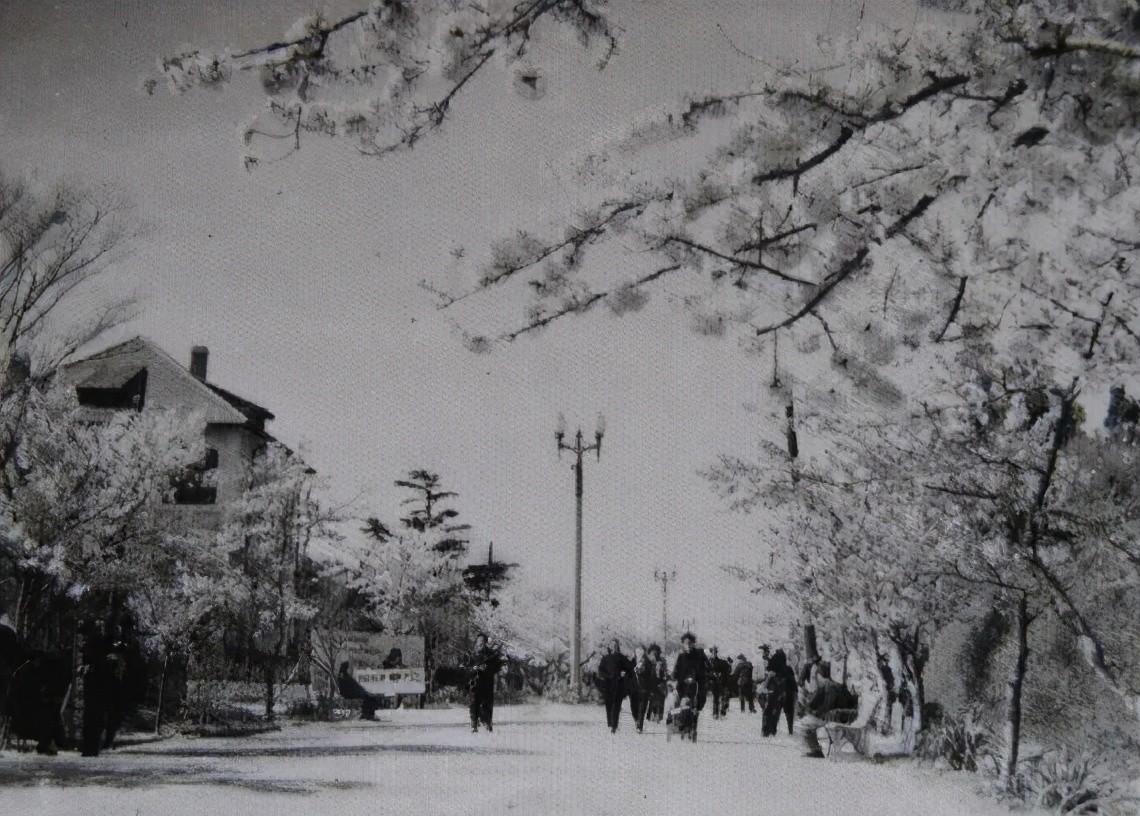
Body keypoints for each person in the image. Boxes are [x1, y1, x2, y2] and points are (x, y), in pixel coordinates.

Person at [799, 661, 857, 758]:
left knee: (806, 725)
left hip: (835, 717)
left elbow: (827, 707)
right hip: (833, 716)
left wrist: (814, 712)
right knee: (806, 722)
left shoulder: (831, 687)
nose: (816, 678)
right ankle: (816, 750)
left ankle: (816, 750)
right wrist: (808, 708)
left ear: (822, 676)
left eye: (817, 676)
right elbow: (814, 702)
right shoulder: (825, 686)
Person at [466, 633, 504, 733]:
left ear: (486, 642)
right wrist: (473, 668)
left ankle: (487, 723)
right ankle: (474, 724)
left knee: (487, 704)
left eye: (482, 641)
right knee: (474, 703)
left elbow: (498, 667)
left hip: (487, 683)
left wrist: (487, 668)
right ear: (476, 642)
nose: (480, 643)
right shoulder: (471, 654)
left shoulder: (491, 654)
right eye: (479, 641)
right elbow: (463, 666)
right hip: (474, 683)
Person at [671, 632, 707, 724]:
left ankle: (692, 720)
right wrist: (673, 677)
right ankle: (675, 721)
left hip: (693, 686)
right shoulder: (681, 656)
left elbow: (702, 671)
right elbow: (675, 670)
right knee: (675, 702)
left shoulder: (698, 656)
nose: (688, 645)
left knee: (690, 704)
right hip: (681, 685)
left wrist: (695, 678)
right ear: (683, 644)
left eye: (690, 643)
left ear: (693, 644)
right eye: (686, 643)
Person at [596, 639, 631, 733]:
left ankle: (614, 726)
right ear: (610, 647)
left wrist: (624, 673)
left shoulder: (622, 658)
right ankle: (610, 723)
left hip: (619, 684)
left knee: (616, 705)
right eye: (612, 645)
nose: (614, 647)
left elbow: (630, 668)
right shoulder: (605, 658)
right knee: (609, 704)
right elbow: (600, 670)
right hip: (608, 685)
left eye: (615, 645)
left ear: (618, 646)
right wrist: (607, 676)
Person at [629, 646, 656, 733]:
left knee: (642, 708)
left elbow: (651, 676)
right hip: (635, 688)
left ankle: (639, 726)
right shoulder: (634, 661)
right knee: (634, 707)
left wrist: (652, 689)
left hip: (645, 688)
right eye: (637, 651)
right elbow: (630, 672)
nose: (639, 653)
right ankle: (637, 720)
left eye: (641, 651)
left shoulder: (648, 662)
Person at [706, 646, 731, 719]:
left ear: (716, 653)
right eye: (713, 652)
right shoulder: (708, 662)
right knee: (715, 698)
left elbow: (726, 669)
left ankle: (723, 712)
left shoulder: (720, 661)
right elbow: (705, 672)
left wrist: (721, 673)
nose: (714, 654)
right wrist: (712, 674)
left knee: (723, 697)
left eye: (715, 652)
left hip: (721, 681)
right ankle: (715, 713)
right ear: (711, 653)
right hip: (713, 682)